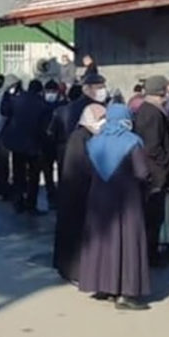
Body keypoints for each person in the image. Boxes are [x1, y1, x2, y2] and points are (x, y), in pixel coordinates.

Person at [78, 103, 152, 310]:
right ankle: (126, 294)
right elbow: (142, 172)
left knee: (103, 243)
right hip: (127, 199)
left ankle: (103, 285)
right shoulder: (132, 142)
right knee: (128, 243)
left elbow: (86, 170)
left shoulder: (94, 141)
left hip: (99, 198)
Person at [54, 103, 106, 284]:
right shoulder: (79, 137)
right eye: (100, 119)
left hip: (79, 191)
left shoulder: (86, 136)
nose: (103, 122)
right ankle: (73, 271)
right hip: (76, 192)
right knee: (74, 234)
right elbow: (81, 167)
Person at [132, 75, 169, 266]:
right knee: (153, 216)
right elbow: (152, 146)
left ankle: (149, 252)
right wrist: (166, 162)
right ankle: (150, 254)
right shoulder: (153, 113)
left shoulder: (145, 110)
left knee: (151, 216)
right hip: (155, 173)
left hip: (150, 171)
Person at [3, 79, 49, 214]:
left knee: (18, 173)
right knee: (33, 176)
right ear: (40, 91)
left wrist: (6, 95)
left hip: (17, 144)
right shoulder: (42, 105)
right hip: (34, 145)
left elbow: (4, 112)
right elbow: (44, 129)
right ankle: (31, 204)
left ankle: (18, 201)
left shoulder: (16, 100)